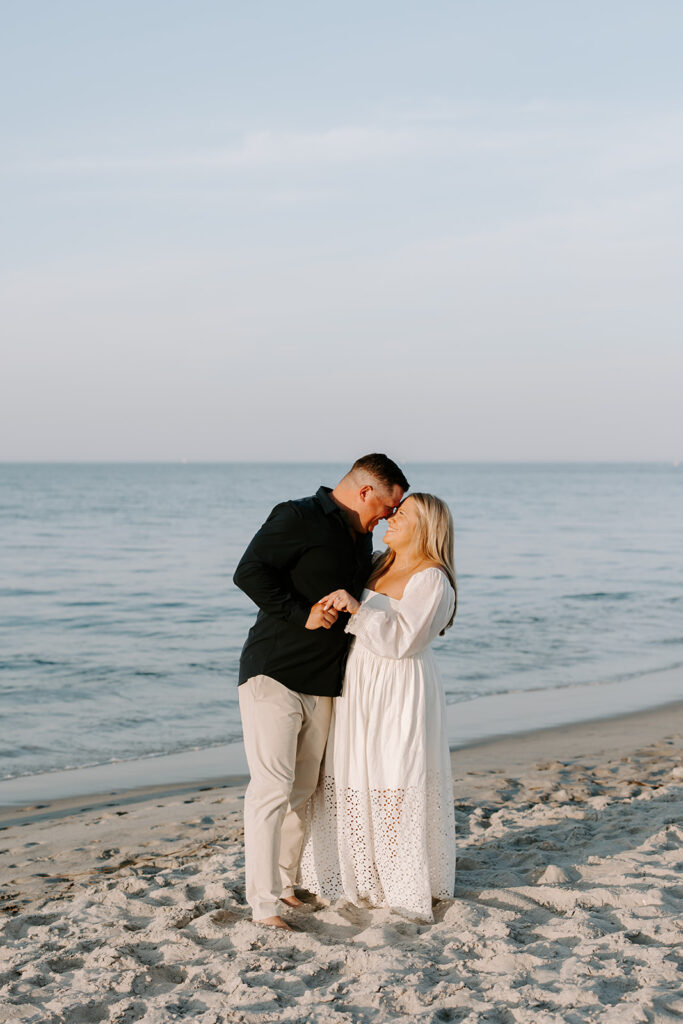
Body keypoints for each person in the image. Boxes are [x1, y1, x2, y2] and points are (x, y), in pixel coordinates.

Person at [233, 454, 409, 929]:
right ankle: (263, 904)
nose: (390, 515)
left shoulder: (363, 533)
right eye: (389, 506)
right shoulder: (296, 515)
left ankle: (286, 884)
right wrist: (301, 613)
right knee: (270, 788)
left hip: (326, 680)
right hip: (274, 672)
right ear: (366, 491)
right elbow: (248, 572)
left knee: (303, 788)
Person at [299, 493, 457, 922]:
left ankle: (401, 882)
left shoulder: (431, 579)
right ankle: (358, 875)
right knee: (354, 769)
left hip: (399, 686)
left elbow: (404, 641)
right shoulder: (378, 564)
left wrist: (355, 609)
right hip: (360, 680)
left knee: (394, 774)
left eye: (401, 515)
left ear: (424, 527)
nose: (390, 517)